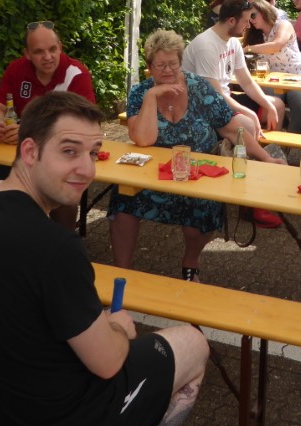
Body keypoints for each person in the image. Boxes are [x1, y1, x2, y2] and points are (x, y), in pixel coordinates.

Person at [0, 92, 209, 426]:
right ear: (30, 151)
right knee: (193, 342)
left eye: (93, 153)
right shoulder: (55, 247)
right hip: (50, 419)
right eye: (69, 151)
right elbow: (108, 363)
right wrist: (117, 329)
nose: (87, 169)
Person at [110, 30, 284, 279]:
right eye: (161, 65)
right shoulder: (141, 92)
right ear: (150, 67)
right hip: (153, 176)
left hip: (197, 175)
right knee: (123, 198)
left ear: (181, 62)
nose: (168, 70)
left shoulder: (199, 88)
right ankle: (121, 273)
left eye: (173, 64)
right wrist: (152, 96)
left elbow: (231, 128)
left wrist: (265, 158)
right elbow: (144, 139)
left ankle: (191, 263)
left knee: (202, 207)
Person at [182, 0, 284, 136]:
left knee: (277, 105)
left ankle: (264, 149)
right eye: (246, 21)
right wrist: (249, 113)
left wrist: (269, 106)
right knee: (248, 123)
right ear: (231, 21)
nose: (248, 26)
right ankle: (246, 149)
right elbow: (215, 95)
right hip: (204, 106)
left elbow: (247, 82)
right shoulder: (205, 46)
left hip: (224, 99)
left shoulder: (233, 42)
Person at [0, 21, 96, 145]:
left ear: (60, 47)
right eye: (39, 52)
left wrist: (29, 133)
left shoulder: (77, 75)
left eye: (52, 49)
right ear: (27, 54)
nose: (47, 57)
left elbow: (89, 123)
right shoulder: (16, 69)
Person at [247, 0, 301, 133]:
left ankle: (289, 137)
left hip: (296, 76)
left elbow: (276, 45)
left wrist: (248, 49)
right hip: (272, 78)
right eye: (248, 17)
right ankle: (276, 140)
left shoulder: (283, 25)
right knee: (268, 109)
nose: (251, 20)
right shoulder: (255, 34)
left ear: (263, 11)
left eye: (253, 15)